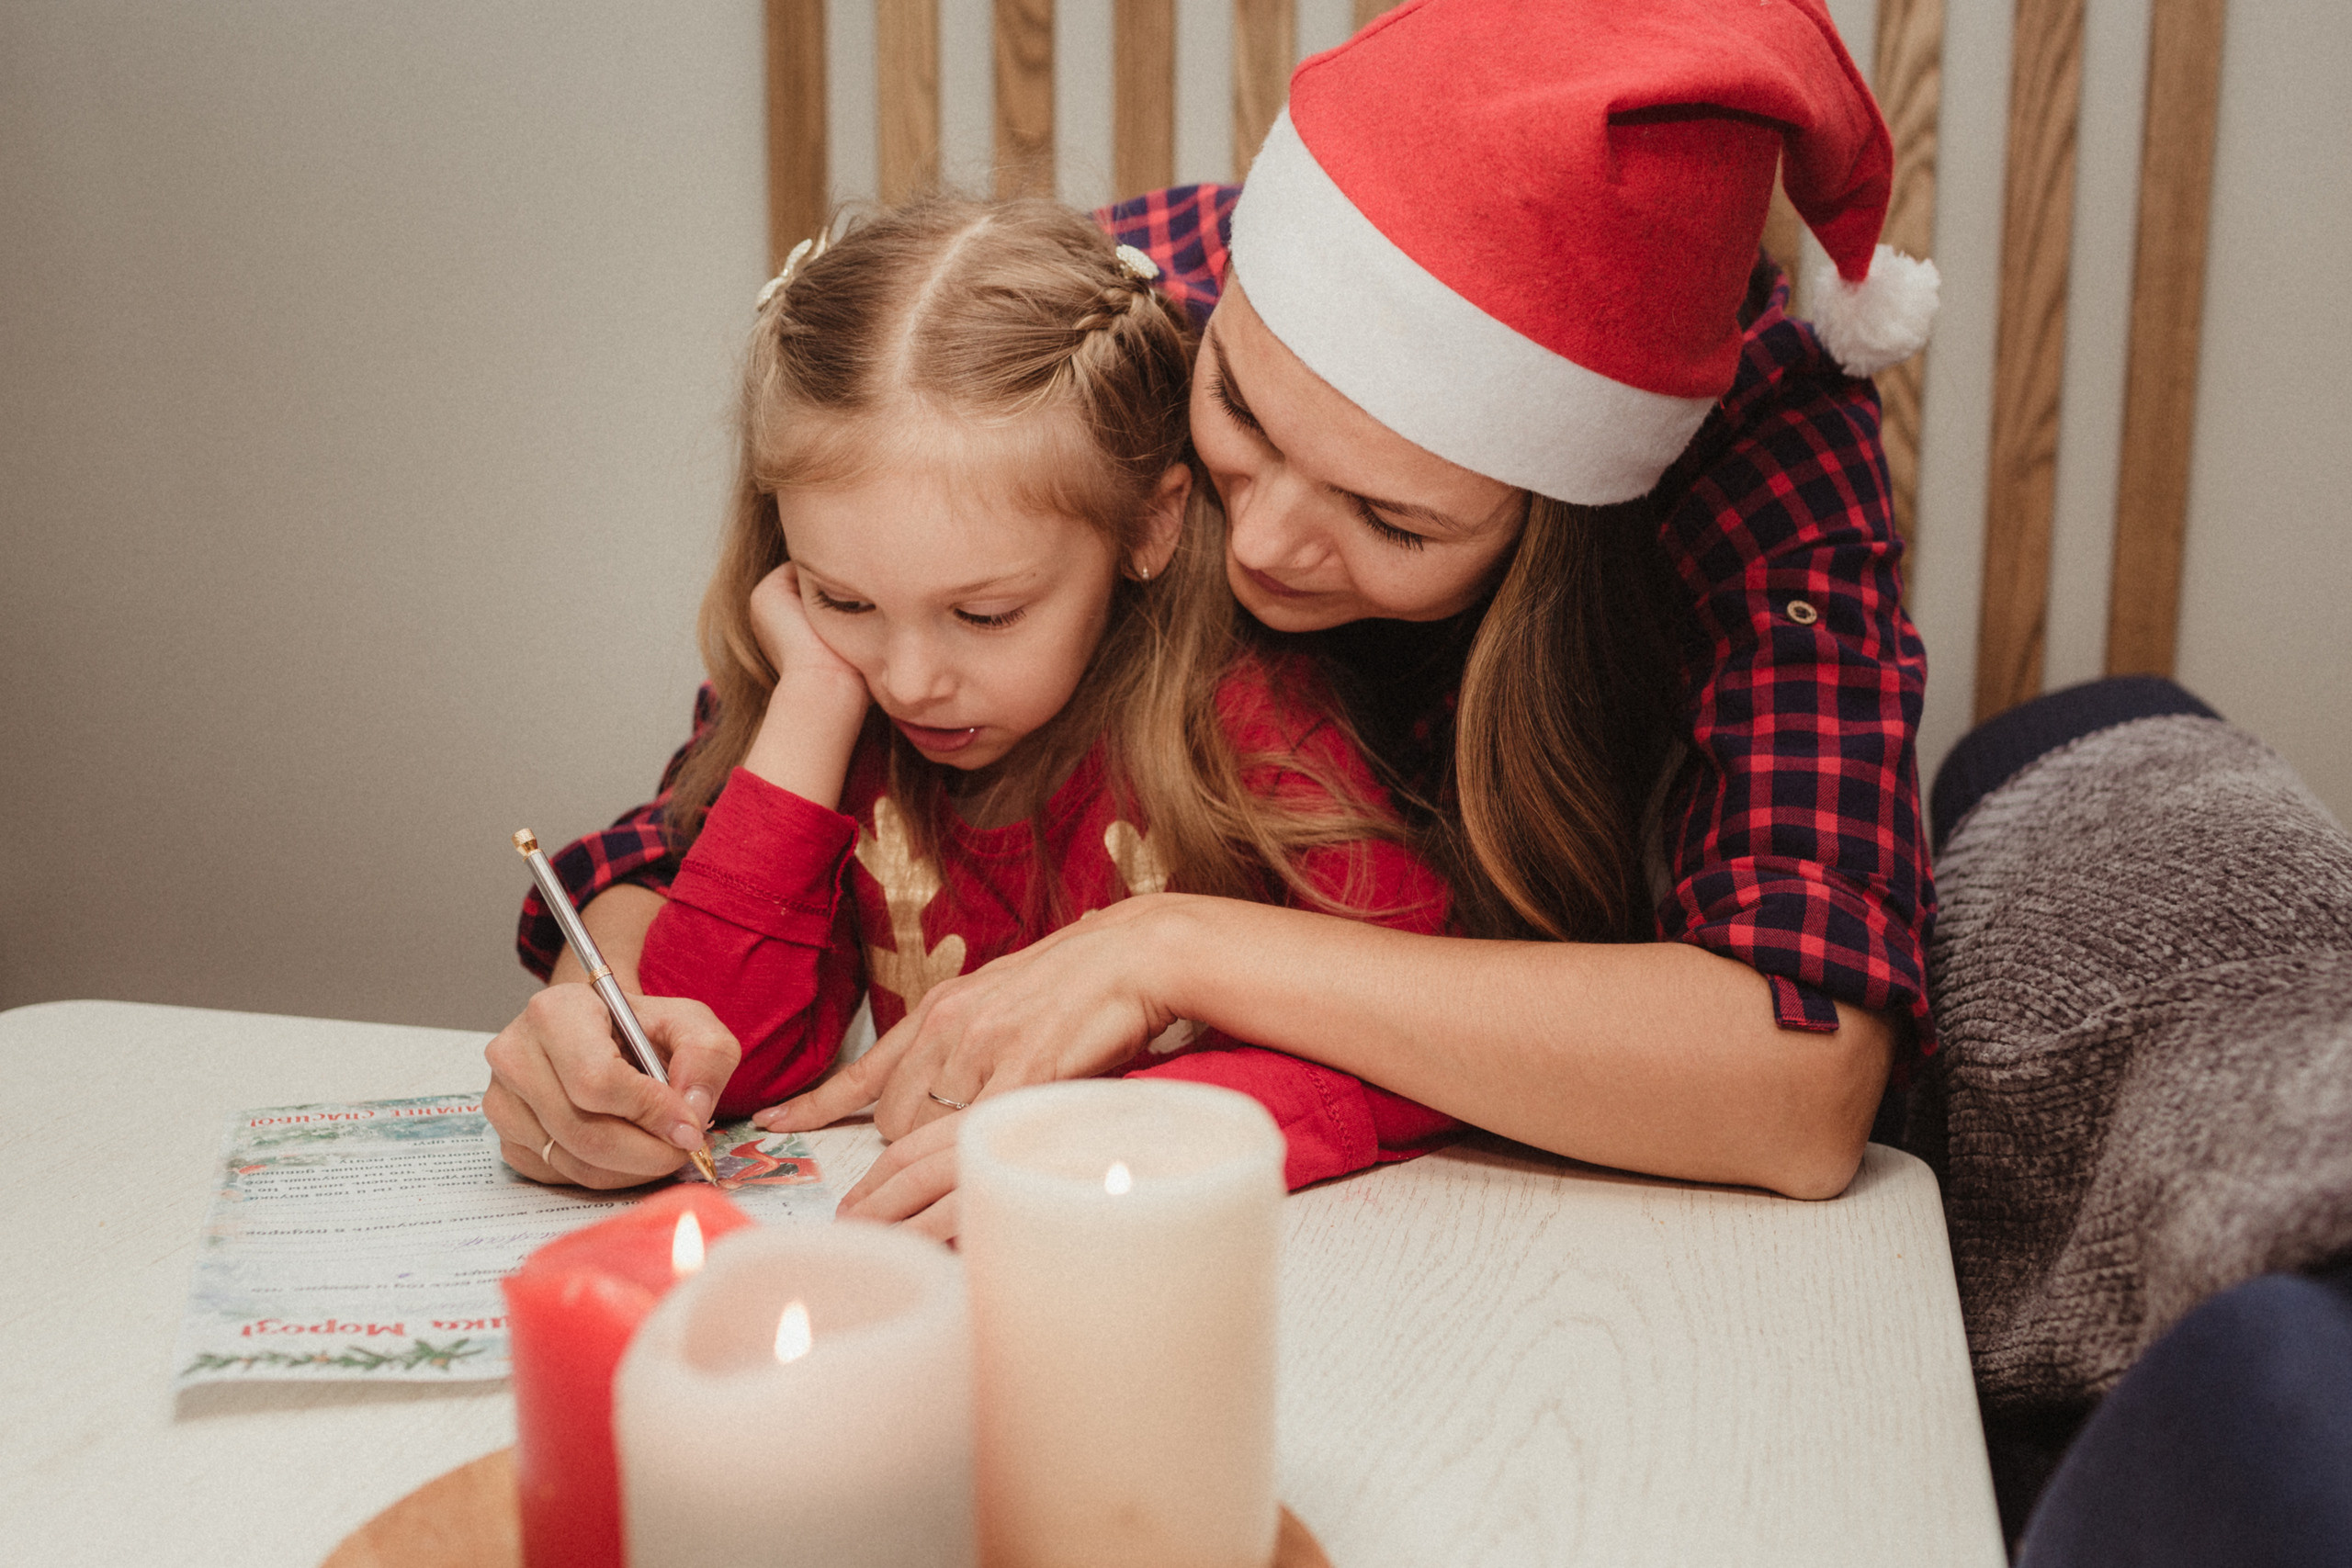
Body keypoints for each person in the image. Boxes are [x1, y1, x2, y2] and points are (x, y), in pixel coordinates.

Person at [489, 0, 1938, 1210]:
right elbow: (700, 816)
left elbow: (1800, 1079)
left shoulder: (1753, 455)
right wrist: (600, 1028)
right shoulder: (1108, 319)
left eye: (1392, 518)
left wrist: (1171, 947)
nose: (1262, 544)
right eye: (1238, 409)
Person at [488, 196, 1459, 1227]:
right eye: (842, 598)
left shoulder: (1257, 730)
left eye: (985, 615)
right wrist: (814, 695)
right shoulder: (846, 715)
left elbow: (1418, 1046)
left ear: (1149, 526)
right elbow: (711, 1066)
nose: (909, 680)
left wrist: (1123, 1135)